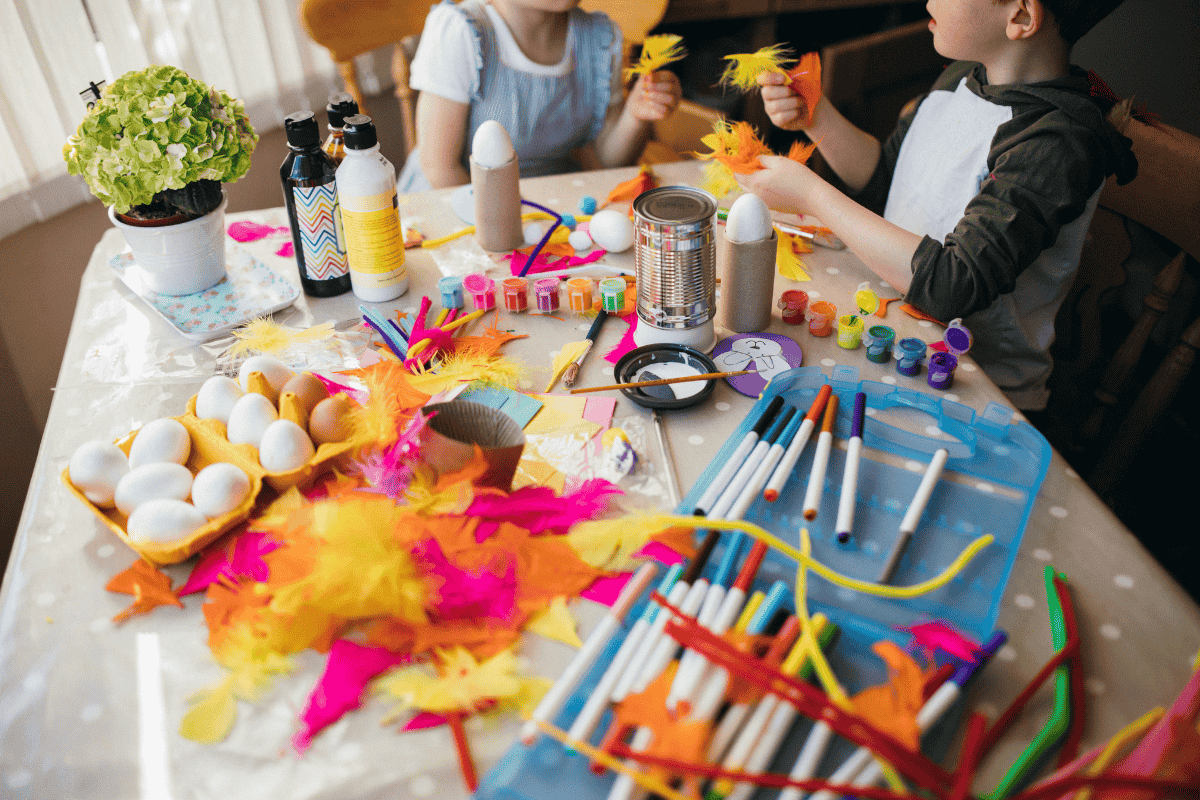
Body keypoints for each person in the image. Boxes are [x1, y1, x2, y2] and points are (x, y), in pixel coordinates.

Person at [739, 0, 1137, 411]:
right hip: (892, 332)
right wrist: (818, 117)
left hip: (974, 391)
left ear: (1020, 17)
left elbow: (952, 284)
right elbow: (890, 183)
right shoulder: (961, 76)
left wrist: (812, 195)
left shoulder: (1054, 142)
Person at [397, 0, 682, 192]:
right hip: (458, 205)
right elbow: (440, 168)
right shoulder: (462, 31)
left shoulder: (599, 37)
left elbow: (606, 161)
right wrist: (503, 227)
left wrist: (634, 115)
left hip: (548, 202)